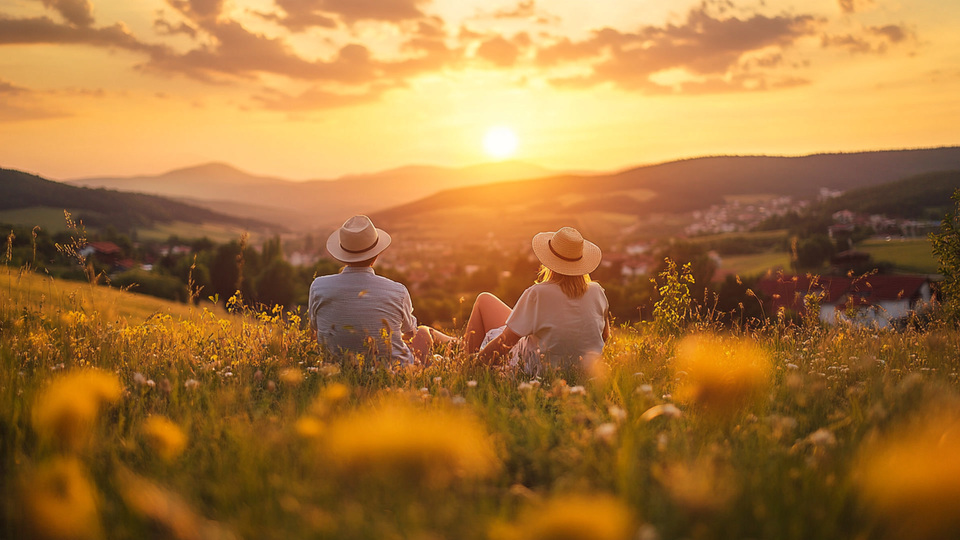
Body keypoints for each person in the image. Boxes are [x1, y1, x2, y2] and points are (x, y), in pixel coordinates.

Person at [464, 226, 610, 372]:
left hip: (533, 365)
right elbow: (604, 336)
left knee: (484, 300)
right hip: (583, 370)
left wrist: (475, 364)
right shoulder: (597, 291)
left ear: (550, 261)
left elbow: (506, 343)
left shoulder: (538, 294)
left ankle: (465, 363)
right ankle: (454, 348)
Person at [308, 215, 445, 364]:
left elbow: (315, 327)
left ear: (343, 255)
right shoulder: (397, 291)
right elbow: (411, 332)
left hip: (335, 369)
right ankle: (461, 345)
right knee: (424, 331)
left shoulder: (318, 287)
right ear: (376, 254)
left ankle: (459, 344)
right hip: (394, 371)